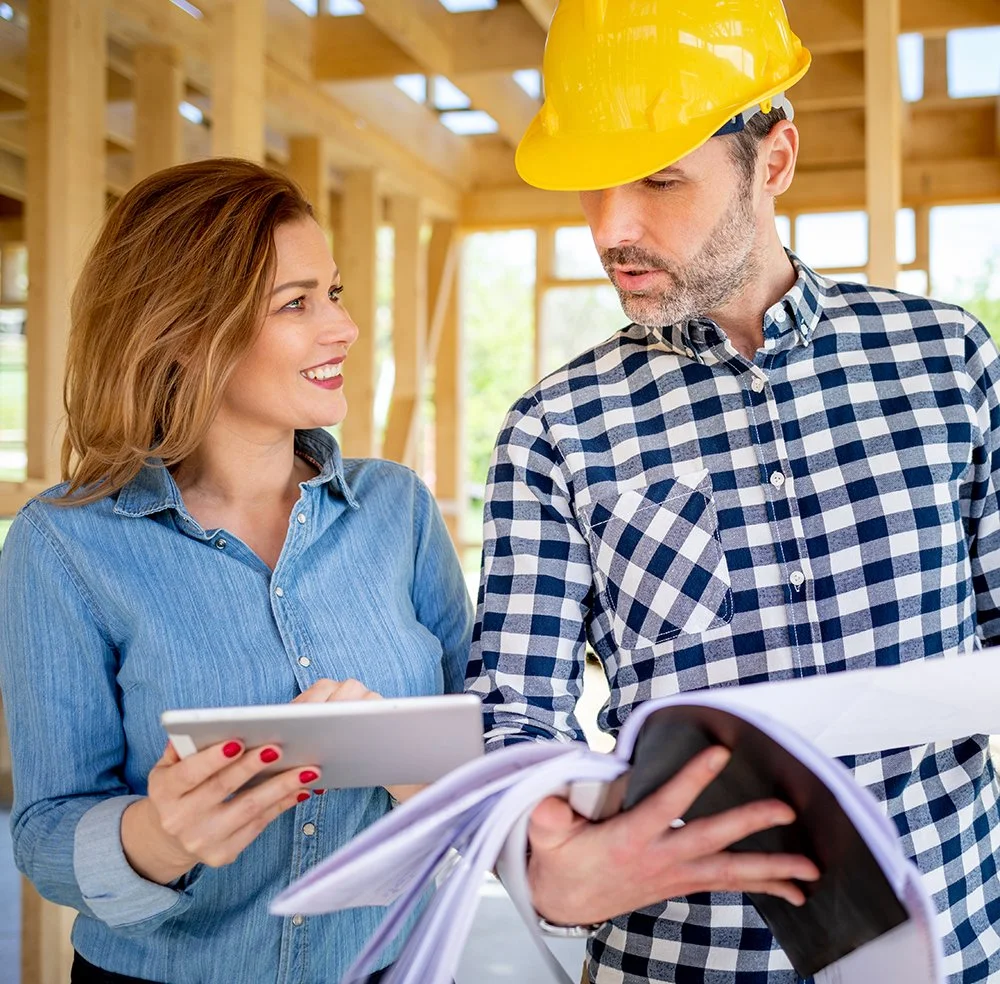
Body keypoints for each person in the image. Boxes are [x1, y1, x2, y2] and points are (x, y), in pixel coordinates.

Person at [467, 1, 1000, 981]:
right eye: (591, 185)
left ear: (776, 159)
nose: (610, 227)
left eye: (659, 180)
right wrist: (544, 870)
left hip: (951, 948)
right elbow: (515, 734)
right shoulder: (555, 430)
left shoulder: (950, 362)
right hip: (679, 959)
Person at [0, 159, 473, 984]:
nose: (344, 328)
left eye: (333, 292)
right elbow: (43, 832)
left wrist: (407, 765)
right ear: (186, 332)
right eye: (297, 304)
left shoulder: (398, 511)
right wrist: (157, 837)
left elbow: (494, 758)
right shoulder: (64, 543)